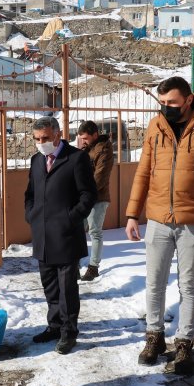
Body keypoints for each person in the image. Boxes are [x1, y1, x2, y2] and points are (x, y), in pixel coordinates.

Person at [125, 76, 194, 374]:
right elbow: (143, 172)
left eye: (172, 103)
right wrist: (133, 214)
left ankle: (184, 342)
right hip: (158, 219)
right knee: (154, 282)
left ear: (188, 100)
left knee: (188, 285)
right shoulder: (155, 126)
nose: (166, 109)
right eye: (162, 103)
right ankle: (154, 336)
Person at [25, 116, 97, 355]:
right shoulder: (36, 160)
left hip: (66, 236)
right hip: (43, 236)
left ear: (57, 134)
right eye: (37, 139)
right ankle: (54, 326)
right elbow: (31, 193)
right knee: (50, 287)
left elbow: (88, 195)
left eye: (45, 138)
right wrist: (31, 215)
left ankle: (69, 331)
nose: (41, 142)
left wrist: (70, 218)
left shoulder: (76, 158)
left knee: (67, 289)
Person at [77, 120, 114, 281]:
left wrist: (85, 193)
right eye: (81, 138)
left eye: (85, 138)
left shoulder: (104, 149)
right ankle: (74, 263)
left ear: (95, 135)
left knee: (95, 232)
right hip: (83, 197)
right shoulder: (87, 148)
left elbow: (100, 176)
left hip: (98, 198)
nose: (83, 141)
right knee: (77, 230)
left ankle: (93, 267)